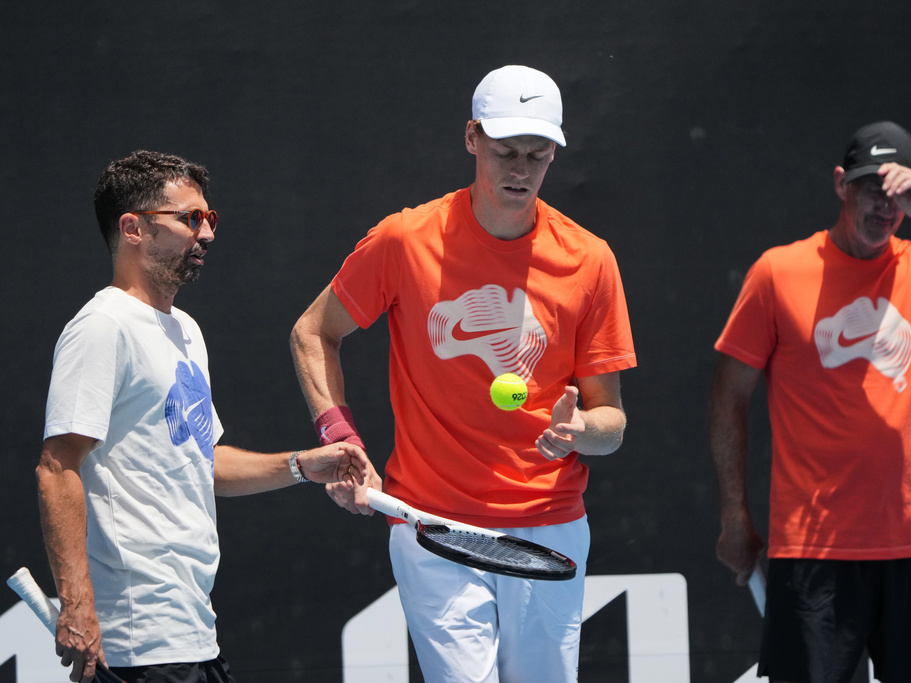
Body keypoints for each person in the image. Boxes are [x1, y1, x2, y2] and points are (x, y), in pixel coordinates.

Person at [291, 65, 636, 682]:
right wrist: (340, 439)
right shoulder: (404, 239)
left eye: (538, 154)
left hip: (549, 526)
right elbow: (314, 332)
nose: (521, 171)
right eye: (506, 152)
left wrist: (580, 429)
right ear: (472, 137)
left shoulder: (590, 259)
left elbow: (611, 423)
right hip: (431, 526)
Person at [36, 150, 370, 683]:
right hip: (135, 636)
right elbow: (57, 468)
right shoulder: (102, 327)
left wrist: (303, 465)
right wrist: (76, 604)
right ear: (133, 228)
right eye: (190, 218)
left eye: (210, 218)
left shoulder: (184, 331)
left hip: (193, 626)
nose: (208, 233)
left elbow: (202, 461)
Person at [710, 121, 911, 682]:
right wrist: (736, 514)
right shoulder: (778, 272)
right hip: (811, 553)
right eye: (873, 186)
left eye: (900, 191)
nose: (886, 203)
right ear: (840, 185)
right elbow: (730, 396)